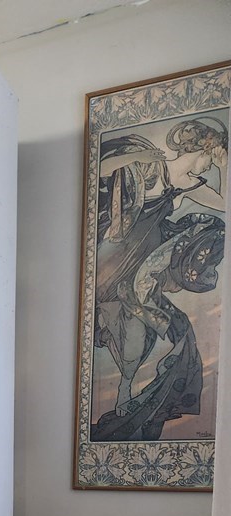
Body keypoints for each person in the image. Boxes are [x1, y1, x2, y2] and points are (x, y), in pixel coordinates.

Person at [92, 116, 227, 442]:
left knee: (148, 336)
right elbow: (100, 169)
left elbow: (227, 206)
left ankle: (127, 389)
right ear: (204, 147)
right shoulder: (151, 165)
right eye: (214, 155)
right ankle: (125, 388)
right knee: (127, 334)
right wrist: (138, 159)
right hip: (114, 260)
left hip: (143, 268)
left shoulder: (193, 186)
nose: (212, 163)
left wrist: (225, 166)